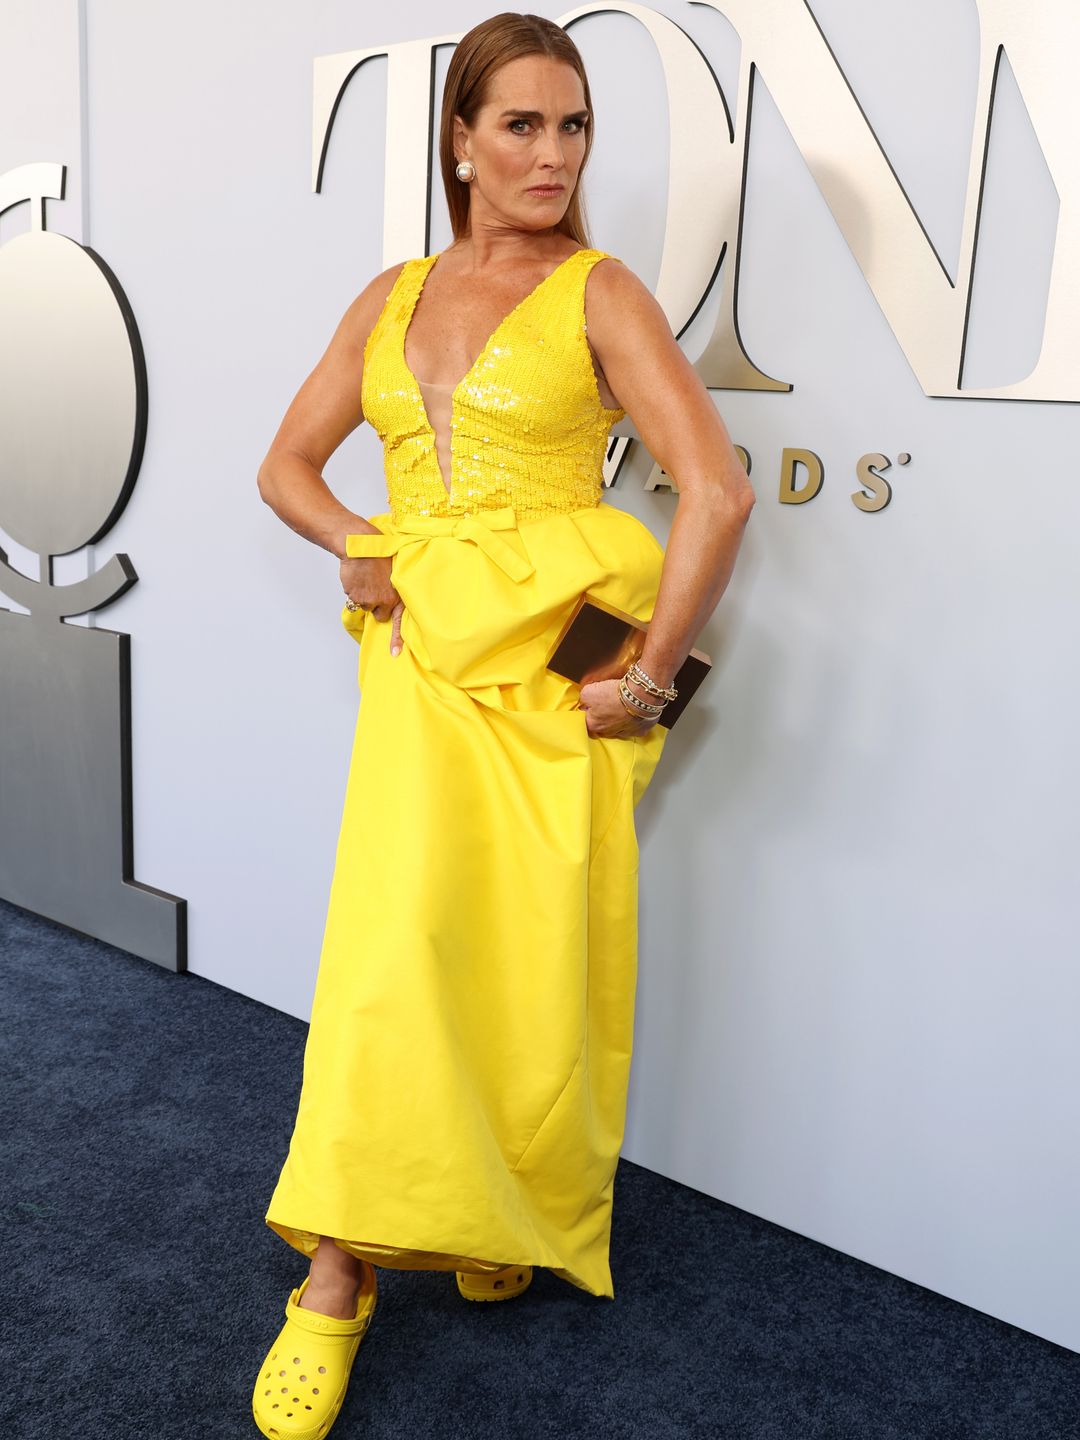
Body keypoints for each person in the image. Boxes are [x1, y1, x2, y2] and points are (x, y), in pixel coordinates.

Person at [250, 11, 754, 1437]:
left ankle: (487, 1216)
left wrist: (648, 676)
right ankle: (335, 1279)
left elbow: (713, 492)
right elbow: (286, 464)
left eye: (574, 125)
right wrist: (369, 540)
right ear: (460, 141)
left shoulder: (602, 293)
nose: (551, 153)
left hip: (542, 689)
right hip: (417, 680)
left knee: (520, 965)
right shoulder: (394, 292)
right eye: (521, 125)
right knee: (390, 958)